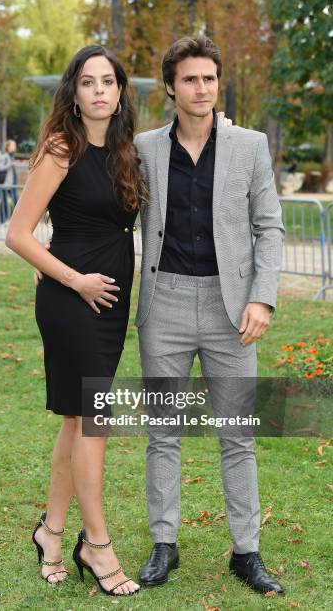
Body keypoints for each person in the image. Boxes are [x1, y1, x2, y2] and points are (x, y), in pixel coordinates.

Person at [134, 36, 285, 596]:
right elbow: (106, 209)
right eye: (191, 79)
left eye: (210, 78)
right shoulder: (145, 147)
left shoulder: (249, 146)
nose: (202, 88)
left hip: (233, 309)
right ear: (170, 87)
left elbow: (269, 226)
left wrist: (262, 297)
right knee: (163, 433)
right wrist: (52, 257)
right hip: (164, 303)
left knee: (238, 435)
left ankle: (246, 552)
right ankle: (163, 545)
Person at [5, 45, 148, 596]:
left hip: (109, 305)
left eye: (108, 82)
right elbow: (18, 233)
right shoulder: (61, 147)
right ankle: (100, 545)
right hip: (73, 303)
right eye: (87, 82)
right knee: (94, 422)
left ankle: (51, 532)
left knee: (75, 421)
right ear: (74, 91)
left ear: (118, 93)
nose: (99, 92)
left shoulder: (124, 150)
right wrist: (71, 279)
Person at [0, 139, 19, 224]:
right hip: (6, 183)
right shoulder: (5, 156)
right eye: (13, 145)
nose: (15, 147)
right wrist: (10, 165)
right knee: (4, 202)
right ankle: (2, 220)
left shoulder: (12, 156)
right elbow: (0, 167)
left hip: (13, 183)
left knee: (15, 202)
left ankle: (11, 220)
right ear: (8, 147)